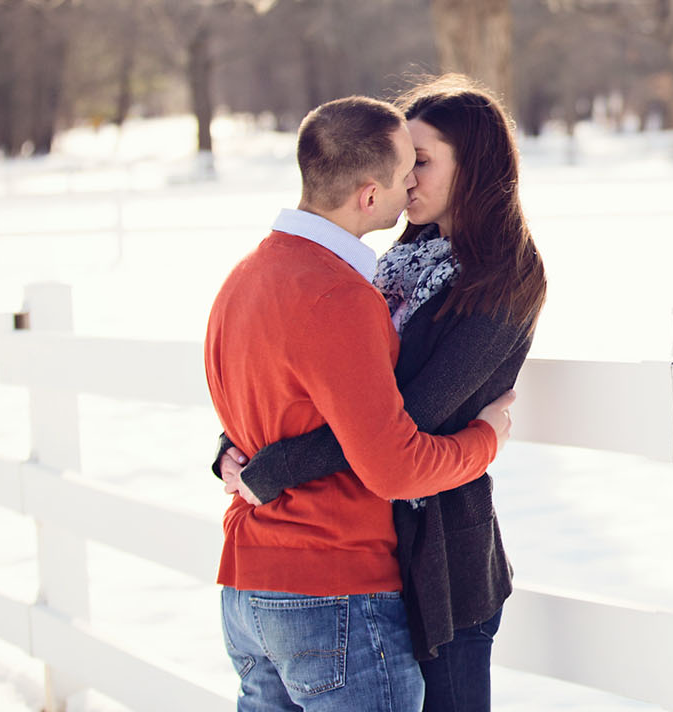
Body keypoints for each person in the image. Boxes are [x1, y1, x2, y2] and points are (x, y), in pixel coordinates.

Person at [218, 76, 547, 712]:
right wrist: (240, 443)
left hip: (439, 564)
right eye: (404, 164)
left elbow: (414, 416)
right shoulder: (393, 260)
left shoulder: (503, 278)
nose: (407, 180)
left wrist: (276, 466)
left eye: (421, 162)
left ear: (472, 167)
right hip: (360, 559)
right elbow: (322, 383)